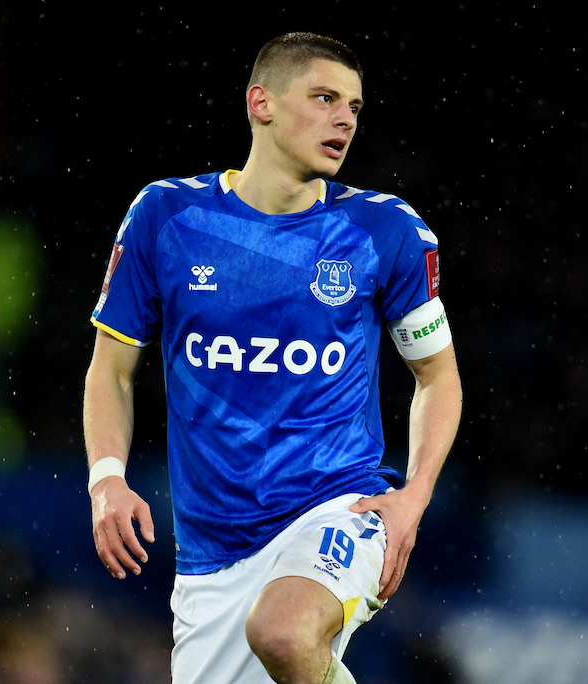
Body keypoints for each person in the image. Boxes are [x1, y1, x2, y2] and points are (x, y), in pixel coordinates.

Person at [83, 32, 462, 684]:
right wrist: (106, 478)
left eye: (354, 106)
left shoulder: (384, 231)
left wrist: (413, 497)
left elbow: (439, 376)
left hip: (335, 507)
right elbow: (110, 369)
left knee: (283, 630)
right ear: (261, 102)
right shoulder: (167, 217)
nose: (344, 117)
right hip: (212, 555)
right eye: (323, 97)